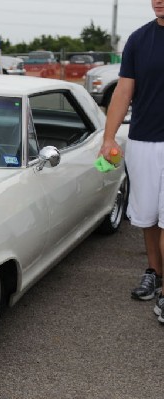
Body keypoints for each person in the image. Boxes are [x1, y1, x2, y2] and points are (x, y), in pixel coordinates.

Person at [99, 0, 164, 324]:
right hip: (143, 142)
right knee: (148, 218)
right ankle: (154, 272)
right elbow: (123, 92)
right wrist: (108, 138)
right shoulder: (139, 39)